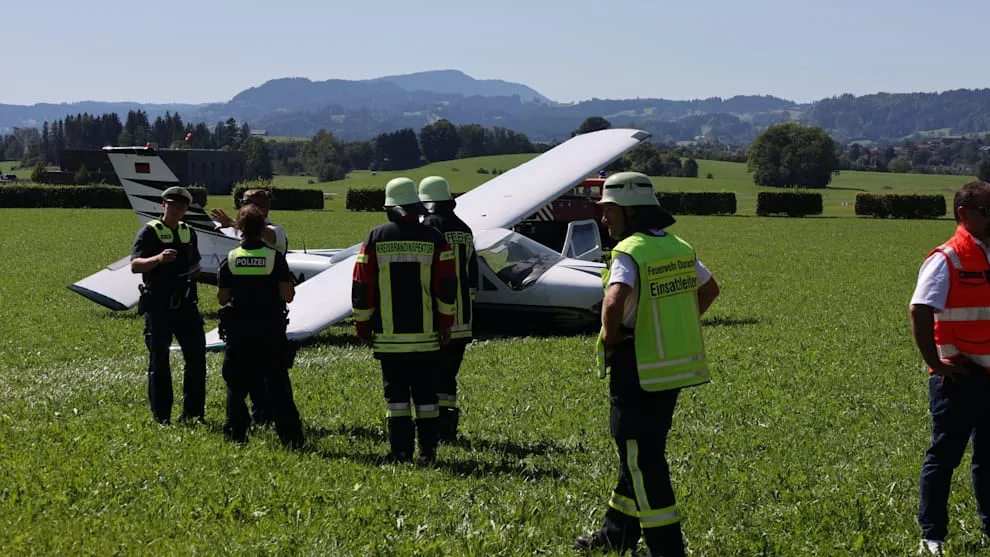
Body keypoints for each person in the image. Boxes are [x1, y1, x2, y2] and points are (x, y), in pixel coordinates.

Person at [575, 172, 720, 557]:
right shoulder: (676, 246)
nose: (604, 221)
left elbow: (613, 300)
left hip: (635, 366)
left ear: (631, 213)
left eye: (609, 212)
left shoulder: (630, 251)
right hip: (670, 370)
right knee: (640, 453)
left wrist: (610, 338)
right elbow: (710, 289)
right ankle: (615, 534)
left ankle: (667, 546)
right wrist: (679, 323)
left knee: (642, 459)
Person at [351, 177, 458, 463]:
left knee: (396, 400)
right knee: (427, 399)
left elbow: (362, 287)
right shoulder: (435, 238)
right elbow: (447, 287)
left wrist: (362, 325)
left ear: (390, 208)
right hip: (426, 338)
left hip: (389, 338)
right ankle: (428, 451)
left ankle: (400, 451)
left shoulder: (375, 237)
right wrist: (446, 324)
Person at [910, 180, 990, 556]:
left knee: (989, 458)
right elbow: (920, 309)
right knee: (944, 457)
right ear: (964, 214)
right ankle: (932, 534)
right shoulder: (946, 259)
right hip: (960, 376)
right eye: (987, 211)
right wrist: (934, 363)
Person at [216, 204, 305, 449]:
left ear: (240, 229)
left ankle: (236, 435)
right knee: (277, 384)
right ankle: (290, 439)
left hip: (239, 331)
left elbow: (222, 298)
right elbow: (287, 295)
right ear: (263, 228)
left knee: (236, 386)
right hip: (269, 330)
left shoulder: (231, 259)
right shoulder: (274, 258)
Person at [130, 186, 207, 426]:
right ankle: (162, 416)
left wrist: (195, 271)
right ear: (163, 206)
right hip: (159, 306)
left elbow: (194, 262)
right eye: (171, 204)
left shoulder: (188, 232)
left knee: (196, 359)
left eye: (181, 206)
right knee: (160, 361)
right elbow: (135, 265)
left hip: (186, 304)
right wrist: (158, 259)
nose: (176, 209)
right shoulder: (150, 232)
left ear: (186, 209)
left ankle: (193, 414)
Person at [211, 187, 287, 425]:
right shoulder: (238, 233)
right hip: (251, 319)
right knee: (251, 375)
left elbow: (267, 236)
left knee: (269, 374)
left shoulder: (275, 231)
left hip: (265, 317)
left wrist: (238, 223)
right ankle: (260, 416)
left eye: (247, 204)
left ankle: (263, 417)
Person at [418, 176, 479, 441]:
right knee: (449, 375)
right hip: (463, 317)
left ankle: (434, 429)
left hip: (438, 316)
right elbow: (473, 274)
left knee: (431, 375)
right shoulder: (465, 229)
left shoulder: (430, 227)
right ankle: (448, 427)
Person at [211, 188, 288, 253]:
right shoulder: (240, 228)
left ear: (263, 209)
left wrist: (233, 223)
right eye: (241, 202)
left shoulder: (277, 232)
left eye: (245, 203)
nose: (241, 206)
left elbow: (257, 229)